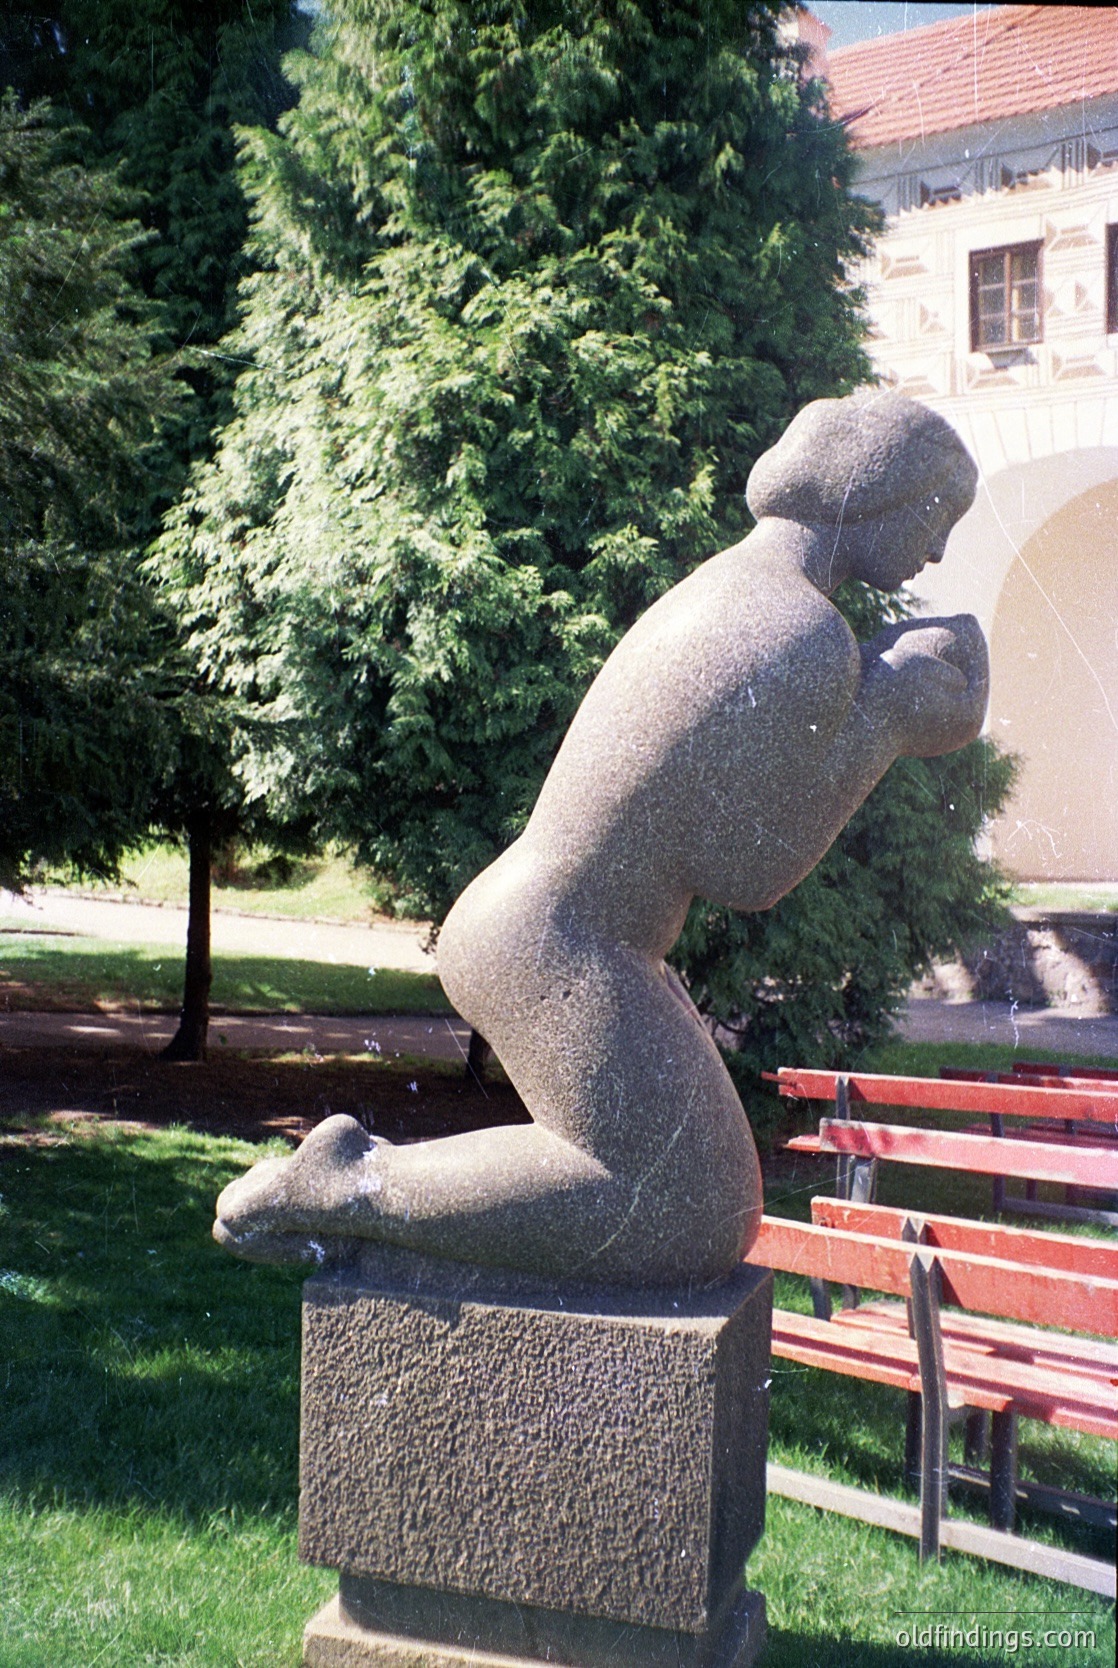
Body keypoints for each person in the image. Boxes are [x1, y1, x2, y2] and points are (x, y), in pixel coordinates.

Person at [214, 391, 987, 1286]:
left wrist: (880, 706)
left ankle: (354, 1182)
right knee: (681, 1216)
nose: (936, 550)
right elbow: (746, 867)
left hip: (549, 929)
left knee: (694, 1203)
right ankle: (347, 1187)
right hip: (558, 942)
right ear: (880, 486)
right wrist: (890, 716)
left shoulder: (753, 595)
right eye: (937, 515)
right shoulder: (799, 629)